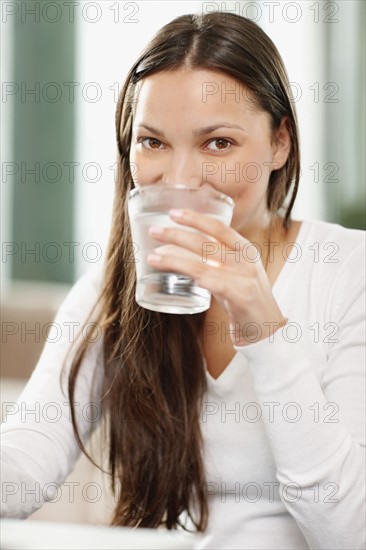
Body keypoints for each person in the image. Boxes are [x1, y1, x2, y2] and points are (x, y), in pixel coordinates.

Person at [1, 11, 365, 550]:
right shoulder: (111, 290)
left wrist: (265, 328)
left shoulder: (349, 271)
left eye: (218, 143)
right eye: (152, 142)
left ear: (280, 144)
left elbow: (349, 533)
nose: (179, 180)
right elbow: (26, 461)